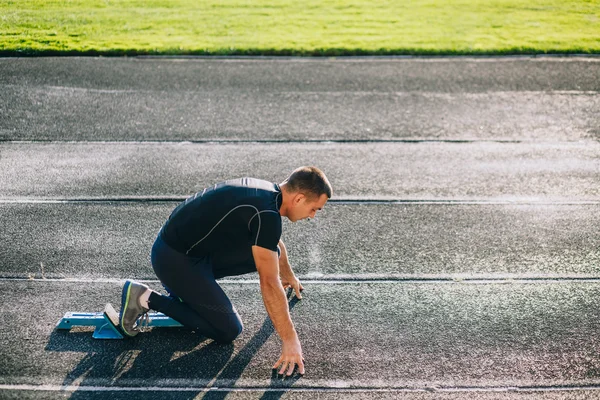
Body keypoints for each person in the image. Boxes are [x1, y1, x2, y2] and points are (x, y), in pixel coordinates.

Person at [118, 166, 332, 376]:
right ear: (299, 199)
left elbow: (273, 243)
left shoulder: (267, 195)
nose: (312, 216)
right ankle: (145, 298)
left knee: (271, 253)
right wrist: (290, 339)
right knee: (228, 330)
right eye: (314, 209)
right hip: (173, 260)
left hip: (189, 251)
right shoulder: (266, 214)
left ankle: (186, 294)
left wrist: (288, 275)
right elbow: (268, 282)